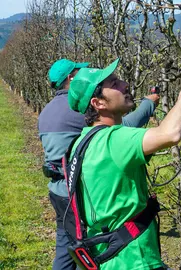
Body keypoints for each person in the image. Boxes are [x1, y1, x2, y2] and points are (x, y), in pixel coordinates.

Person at [66, 58, 181, 269]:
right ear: (98, 103)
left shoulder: (83, 142)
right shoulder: (114, 140)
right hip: (134, 259)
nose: (124, 84)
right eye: (114, 84)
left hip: (109, 256)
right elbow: (172, 132)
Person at [38, 58, 160, 270]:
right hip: (78, 191)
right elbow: (123, 130)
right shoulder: (76, 109)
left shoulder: (46, 111)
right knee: (87, 245)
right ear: (71, 78)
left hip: (57, 188)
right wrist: (148, 105)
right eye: (80, 71)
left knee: (67, 244)